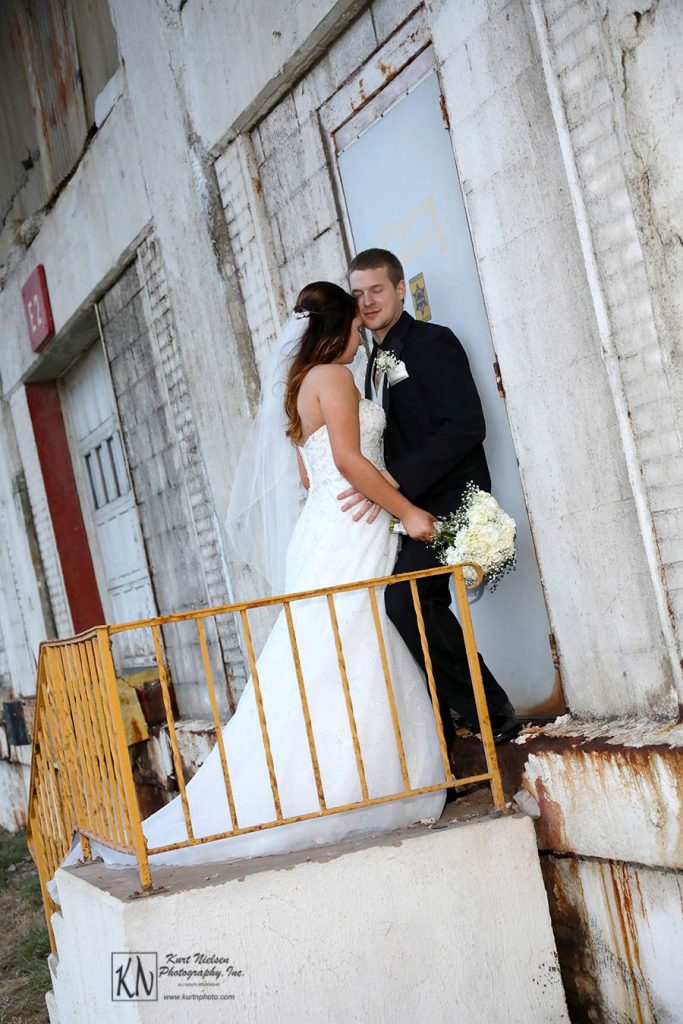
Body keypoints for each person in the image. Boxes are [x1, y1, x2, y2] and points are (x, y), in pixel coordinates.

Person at [46, 282, 447, 905]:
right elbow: (344, 459)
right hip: (347, 527)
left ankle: (347, 779)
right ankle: (351, 785)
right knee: (347, 645)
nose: (360, 336)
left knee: (328, 652)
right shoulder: (335, 376)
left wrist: (376, 490)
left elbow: (311, 471)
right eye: (354, 326)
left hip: (326, 527)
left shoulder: (299, 384)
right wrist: (408, 510)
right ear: (338, 331)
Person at [343, 248, 520, 751]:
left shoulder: (433, 342)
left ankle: (488, 710)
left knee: (409, 600)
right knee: (409, 604)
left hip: (449, 500)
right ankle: (452, 721)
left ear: (401, 289)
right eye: (358, 294)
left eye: (377, 289)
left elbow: (466, 426)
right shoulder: (371, 361)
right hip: (407, 508)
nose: (368, 301)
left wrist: (396, 482)